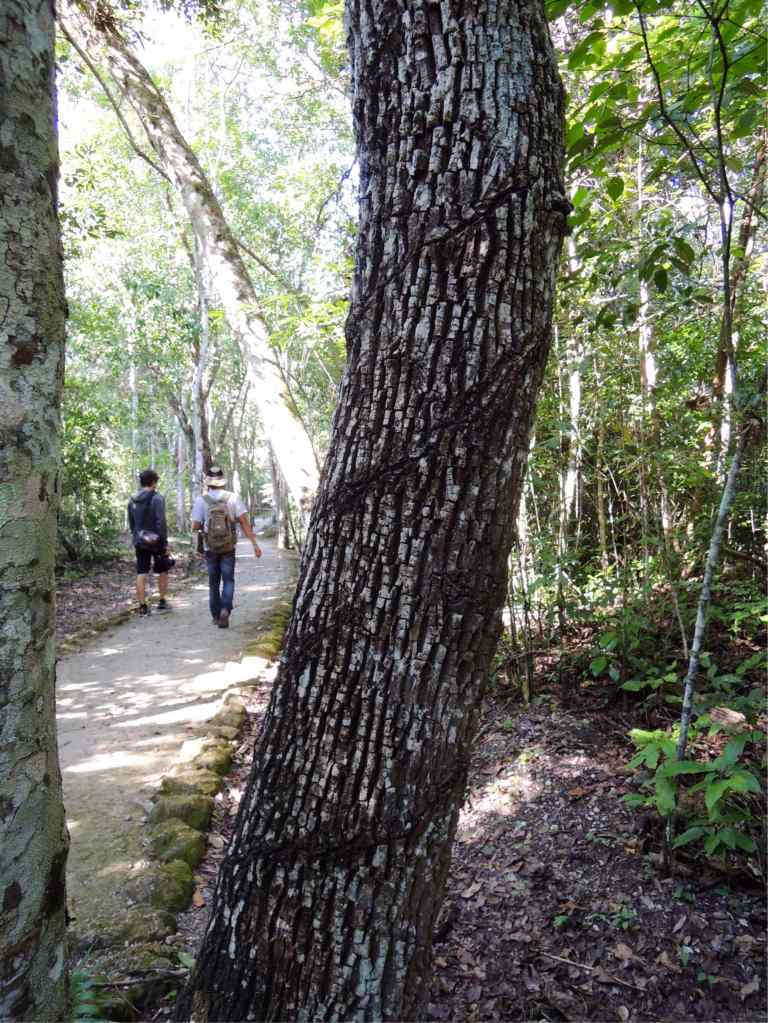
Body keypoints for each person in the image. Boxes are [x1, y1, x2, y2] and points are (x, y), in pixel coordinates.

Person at [191, 465, 262, 628]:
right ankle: (225, 610)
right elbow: (244, 522)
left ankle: (216, 616)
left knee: (213, 582)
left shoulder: (201, 500)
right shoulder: (233, 498)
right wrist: (255, 545)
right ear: (223, 481)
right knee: (228, 580)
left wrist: (198, 546)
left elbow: (195, 526)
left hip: (210, 547)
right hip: (229, 546)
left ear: (208, 482)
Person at [127, 468, 172, 616]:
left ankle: (142, 606)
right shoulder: (157, 498)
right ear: (153, 482)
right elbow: (161, 522)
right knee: (162, 571)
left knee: (141, 572)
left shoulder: (132, 499)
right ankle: (162, 602)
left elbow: (132, 523)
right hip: (157, 541)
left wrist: (137, 536)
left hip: (140, 541)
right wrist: (165, 543)